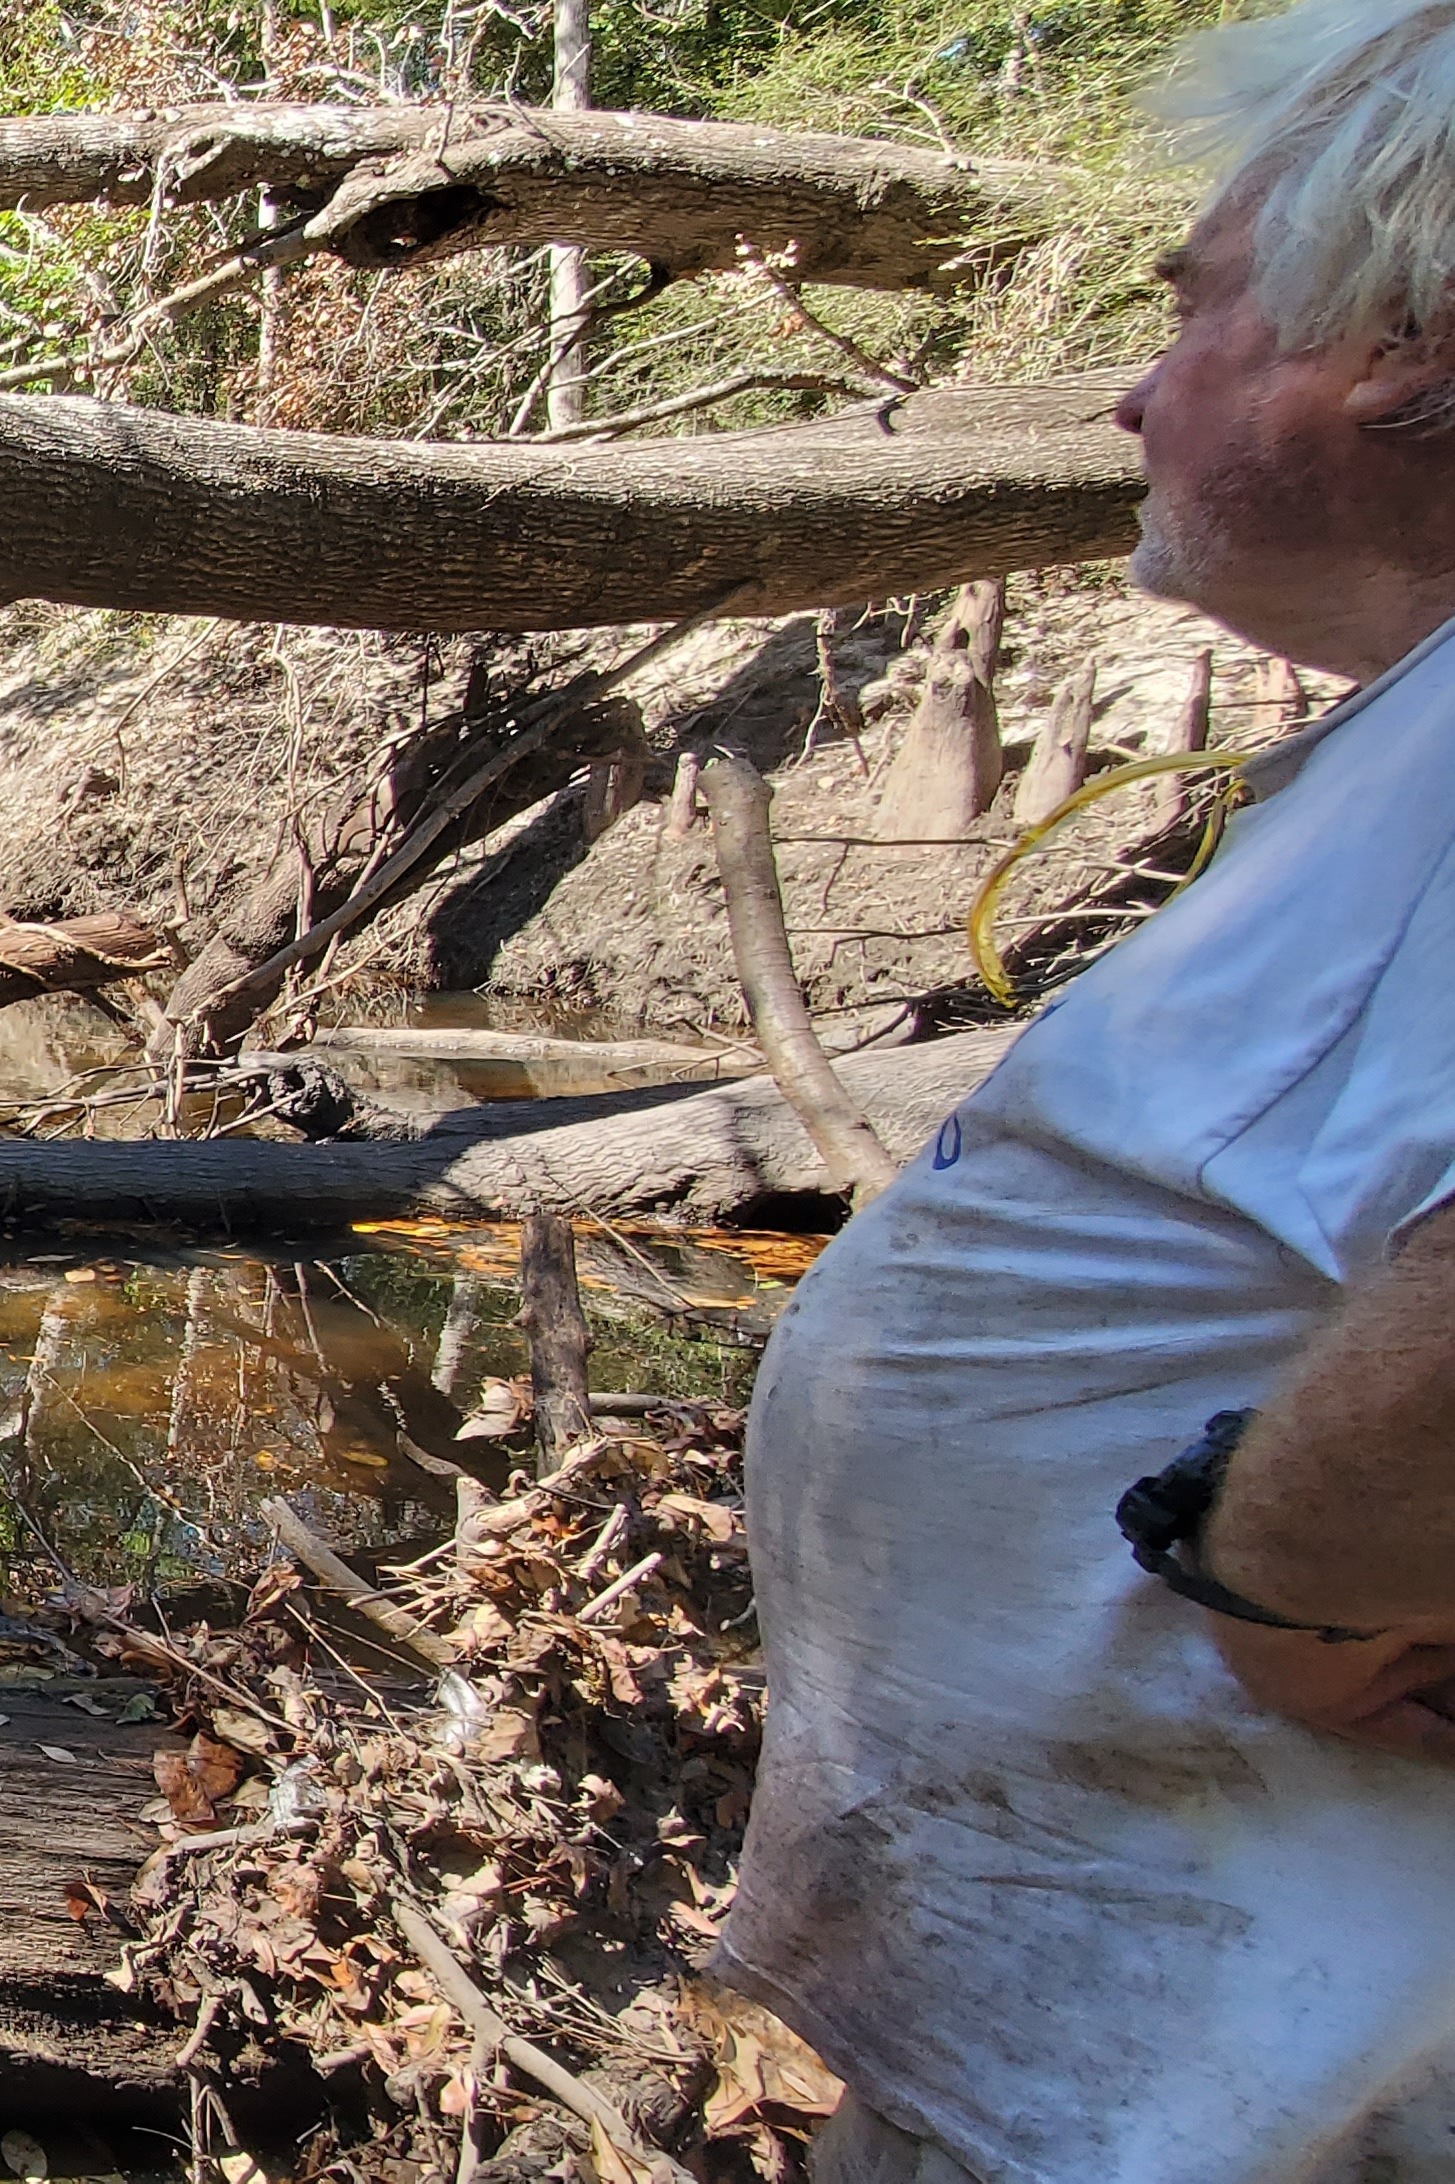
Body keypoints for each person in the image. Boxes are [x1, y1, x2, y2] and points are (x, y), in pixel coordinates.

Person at [720, 2, 1455, 2177]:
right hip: (1163, 2020)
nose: (1136, 386)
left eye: (1196, 305)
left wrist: (1282, 1580)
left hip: (1245, 2060)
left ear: (1413, 345)